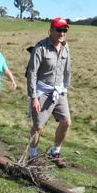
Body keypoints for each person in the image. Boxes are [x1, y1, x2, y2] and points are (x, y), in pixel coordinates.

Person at [26, 17, 72, 168]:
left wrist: (65, 89)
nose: (62, 33)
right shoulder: (41, 48)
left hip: (59, 92)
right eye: (59, 29)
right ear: (51, 30)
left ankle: (55, 152)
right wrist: (34, 97)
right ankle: (33, 155)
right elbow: (32, 73)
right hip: (43, 91)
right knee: (38, 126)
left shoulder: (65, 47)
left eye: (64, 30)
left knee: (66, 122)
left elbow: (67, 70)